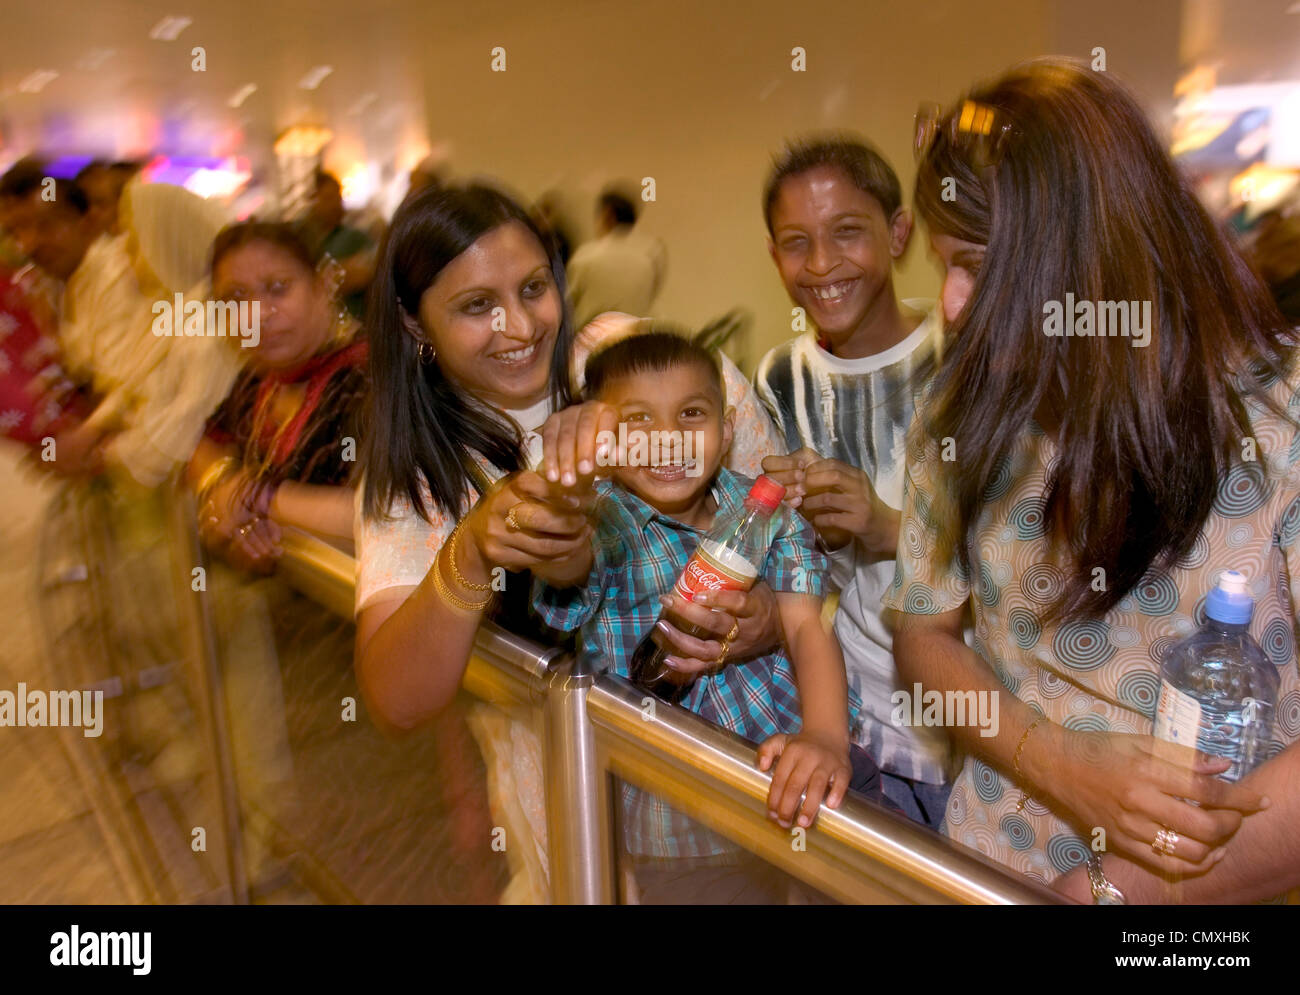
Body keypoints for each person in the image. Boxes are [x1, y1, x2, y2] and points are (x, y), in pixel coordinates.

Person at [890, 58, 1300, 903]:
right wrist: (1056, 758)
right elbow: (925, 637)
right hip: (989, 862)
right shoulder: (960, 409)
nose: (952, 306)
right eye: (943, 266)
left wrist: (1116, 892)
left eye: (975, 264)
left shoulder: (1276, 417)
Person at [354, 182, 785, 900]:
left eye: (532, 288)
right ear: (412, 322)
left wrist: (768, 618)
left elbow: (777, 507)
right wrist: (472, 553)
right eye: (474, 306)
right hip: (575, 823)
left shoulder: (631, 356)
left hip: (734, 784)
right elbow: (397, 699)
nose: (519, 325)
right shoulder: (420, 474)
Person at [532, 330, 878, 903]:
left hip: (791, 774)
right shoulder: (603, 526)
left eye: (690, 413)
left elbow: (804, 627)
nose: (667, 439)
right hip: (682, 826)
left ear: (725, 435)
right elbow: (566, 561)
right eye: (637, 420)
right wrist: (565, 492)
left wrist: (823, 735)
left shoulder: (767, 514)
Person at [754, 135, 954, 829]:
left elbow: (1021, 556)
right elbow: (804, 574)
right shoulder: (782, 379)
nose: (821, 265)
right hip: (862, 720)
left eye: (848, 233)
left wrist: (886, 525)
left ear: (898, 233)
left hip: (976, 728)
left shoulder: (960, 355)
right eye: (794, 242)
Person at [188, 222, 365, 572]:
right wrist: (224, 484)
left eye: (278, 288)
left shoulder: (374, 378)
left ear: (324, 283)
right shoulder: (259, 378)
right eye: (235, 298)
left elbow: (388, 518)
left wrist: (257, 497)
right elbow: (204, 443)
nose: (257, 315)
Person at [566, 184, 666, 330]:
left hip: (596, 343)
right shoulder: (651, 257)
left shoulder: (587, 256)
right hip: (638, 340)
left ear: (608, 215)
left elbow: (567, 304)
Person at [298, 171, 375, 319]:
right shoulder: (298, 236)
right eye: (328, 198)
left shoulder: (355, 238)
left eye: (338, 196)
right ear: (314, 201)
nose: (336, 204)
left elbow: (365, 274)